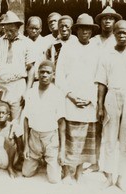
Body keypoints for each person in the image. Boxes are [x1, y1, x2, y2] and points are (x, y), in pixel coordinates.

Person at [95, 20, 126, 191]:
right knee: (109, 139)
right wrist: (100, 106)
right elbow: (101, 83)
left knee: (125, 142)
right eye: (119, 33)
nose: (122, 36)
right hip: (112, 96)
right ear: (114, 34)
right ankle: (108, 177)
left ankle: (121, 177)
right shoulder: (107, 55)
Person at [0, 11, 35, 170]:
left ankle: (20, 157)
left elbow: (31, 69)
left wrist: (27, 91)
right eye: (6, 29)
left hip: (18, 84)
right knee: (1, 121)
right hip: (1, 85)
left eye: (12, 29)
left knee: (17, 124)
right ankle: (1, 156)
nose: (9, 32)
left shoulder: (27, 43)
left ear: (18, 27)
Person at [55, 14, 99, 184]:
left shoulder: (96, 50)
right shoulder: (67, 48)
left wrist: (90, 98)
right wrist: (71, 96)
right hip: (70, 100)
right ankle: (66, 172)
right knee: (70, 137)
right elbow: (59, 75)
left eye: (88, 29)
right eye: (81, 28)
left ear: (92, 31)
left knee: (85, 139)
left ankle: (79, 171)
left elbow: (99, 77)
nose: (85, 32)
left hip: (88, 102)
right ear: (77, 30)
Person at [86, 6, 122, 173]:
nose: (107, 20)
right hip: (93, 86)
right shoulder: (93, 41)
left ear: (115, 21)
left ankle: (109, 165)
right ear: (99, 21)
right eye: (104, 18)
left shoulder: (118, 42)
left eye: (111, 18)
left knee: (111, 127)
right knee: (95, 126)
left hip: (111, 88)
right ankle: (95, 161)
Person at [22, 60, 65, 184]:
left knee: (54, 179)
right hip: (34, 137)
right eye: (42, 72)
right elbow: (26, 119)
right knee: (26, 173)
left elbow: (61, 123)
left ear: (53, 75)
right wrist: (26, 146)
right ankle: (38, 160)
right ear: (37, 74)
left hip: (50, 137)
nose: (44, 75)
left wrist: (61, 151)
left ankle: (50, 161)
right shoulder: (30, 93)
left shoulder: (58, 94)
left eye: (48, 72)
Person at [26, 16, 47, 85]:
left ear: (41, 29)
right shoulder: (22, 43)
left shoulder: (46, 43)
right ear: (27, 28)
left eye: (36, 28)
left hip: (41, 81)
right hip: (25, 81)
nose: (34, 31)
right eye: (31, 28)